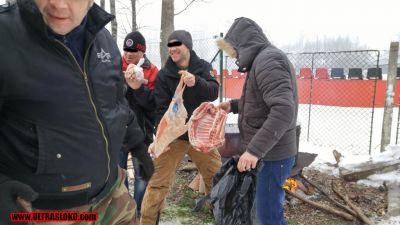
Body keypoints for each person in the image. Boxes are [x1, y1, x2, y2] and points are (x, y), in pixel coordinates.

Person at [0, 0, 154, 224]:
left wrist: (137, 144)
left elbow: (116, 101)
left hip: (112, 197)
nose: (58, 5)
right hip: (46, 213)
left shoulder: (102, 38)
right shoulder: (5, 36)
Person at [216, 17, 298, 225]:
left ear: (243, 44)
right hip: (270, 152)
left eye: (234, 49)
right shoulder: (262, 59)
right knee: (266, 212)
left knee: (268, 216)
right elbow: (261, 101)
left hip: (273, 155)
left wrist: (254, 151)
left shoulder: (268, 60)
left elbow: (283, 109)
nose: (234, 55)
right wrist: (233, 106)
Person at [139, 30, 222, 225]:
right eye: (170, 46)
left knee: (216, 177)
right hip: (173, 138)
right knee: (158, 183)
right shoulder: (164, 75)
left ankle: (220, 216)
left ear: (188, 46)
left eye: (177, 45)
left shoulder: (202, 67)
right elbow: (160, 109)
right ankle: (148, 221)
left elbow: (214, 91)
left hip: (199, 135)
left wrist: (197, 82)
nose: (172, 49)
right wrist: (161, 138)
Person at [120, 31, 159, 219]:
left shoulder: (152, 71)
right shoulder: (114, 67)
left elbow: (154, 104)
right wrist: (122, 83)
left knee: (142, 175)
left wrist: (139, 87)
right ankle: (125, 211)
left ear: (142, 52)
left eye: (133, 50)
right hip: (117, 131)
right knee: (119, 175)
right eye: (126, 50)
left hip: (142, 132)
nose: (128, 54)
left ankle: (138, 211)